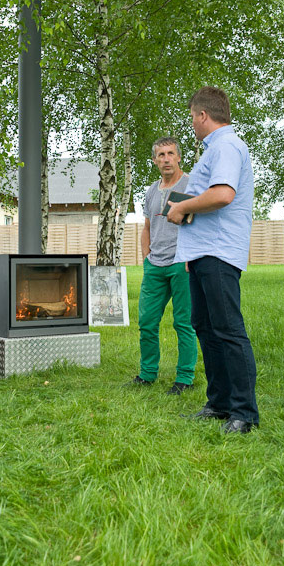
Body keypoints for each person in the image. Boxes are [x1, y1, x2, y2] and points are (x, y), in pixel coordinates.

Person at [166, 87, 259, 433]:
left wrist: (181, 207)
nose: (192, 123)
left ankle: (244, 413)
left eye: (192, 116)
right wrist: (190, 252)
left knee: (228, 330)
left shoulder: (226, 146)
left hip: (219, 253)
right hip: (203, 254)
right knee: (206, 327)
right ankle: (219, 403)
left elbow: (222, 194)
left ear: (203, 115)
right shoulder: (214, 150)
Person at [128, 137, 197, 393]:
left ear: (178, 157)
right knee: (146, 322)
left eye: (170, 154)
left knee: (183, 323)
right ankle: (147, 374)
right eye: (161, 155)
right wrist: (146, 257)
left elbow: (200, 225)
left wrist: (192, 257)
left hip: (182, 264)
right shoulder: (150, 191)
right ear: (155, 160)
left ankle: (185, 379)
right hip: (155, 266)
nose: (166, 159)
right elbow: (146, 228)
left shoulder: (191, 185)